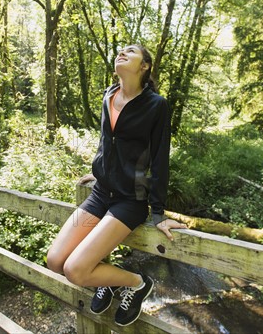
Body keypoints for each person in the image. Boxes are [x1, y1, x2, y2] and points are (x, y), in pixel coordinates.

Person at [46, 44, 187, 327]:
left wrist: (158, 213)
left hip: (129, 201)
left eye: (131, 51)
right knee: (55, 260)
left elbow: (159, 159)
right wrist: (99, 172)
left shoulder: (156, 104)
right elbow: (107, 143)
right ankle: (108, 283)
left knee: (75, 269)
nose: (121, 52)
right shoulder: (108, 95)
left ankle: (138, 283)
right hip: (100, 195)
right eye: (120, 50)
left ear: (144, 66)